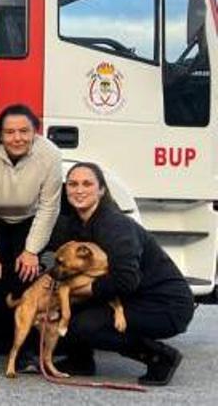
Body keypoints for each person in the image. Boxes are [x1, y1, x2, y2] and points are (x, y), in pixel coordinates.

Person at [47, 162, 193, 386]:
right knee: (68, 307)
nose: (79, 190)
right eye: (73, 184)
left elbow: (126, 281)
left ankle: (160, 357)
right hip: (131, 297)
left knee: (84, 325)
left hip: (164, 304)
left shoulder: (115, 226)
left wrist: (83, 290)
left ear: (102, 190)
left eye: (87, 184)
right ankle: (81, 361)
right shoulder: (74, 224)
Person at [0, 104, 63, 373]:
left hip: (29, 221)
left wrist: (31, 251)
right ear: (0, 135)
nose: (17, 138)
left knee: (27, 278)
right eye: (10, 132)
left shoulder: (50, 154)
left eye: (24, 131)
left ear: (35, 133)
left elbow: (49, 207)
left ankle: (27, 351)